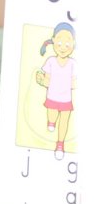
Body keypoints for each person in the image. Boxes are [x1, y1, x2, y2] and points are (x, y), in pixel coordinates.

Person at [35, 21, 76, 156]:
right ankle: (51, 121)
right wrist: (42, 81)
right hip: (52, 96)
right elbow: (47, 78)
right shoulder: (51, 61)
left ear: (73, 44)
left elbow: (75, 81)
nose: (63, 47)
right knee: (52, 115)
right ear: (53, 41)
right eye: (59, 43)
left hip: (66, 99)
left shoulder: (73, 63)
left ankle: (60, 145)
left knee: (64, 121)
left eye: (67, 44)